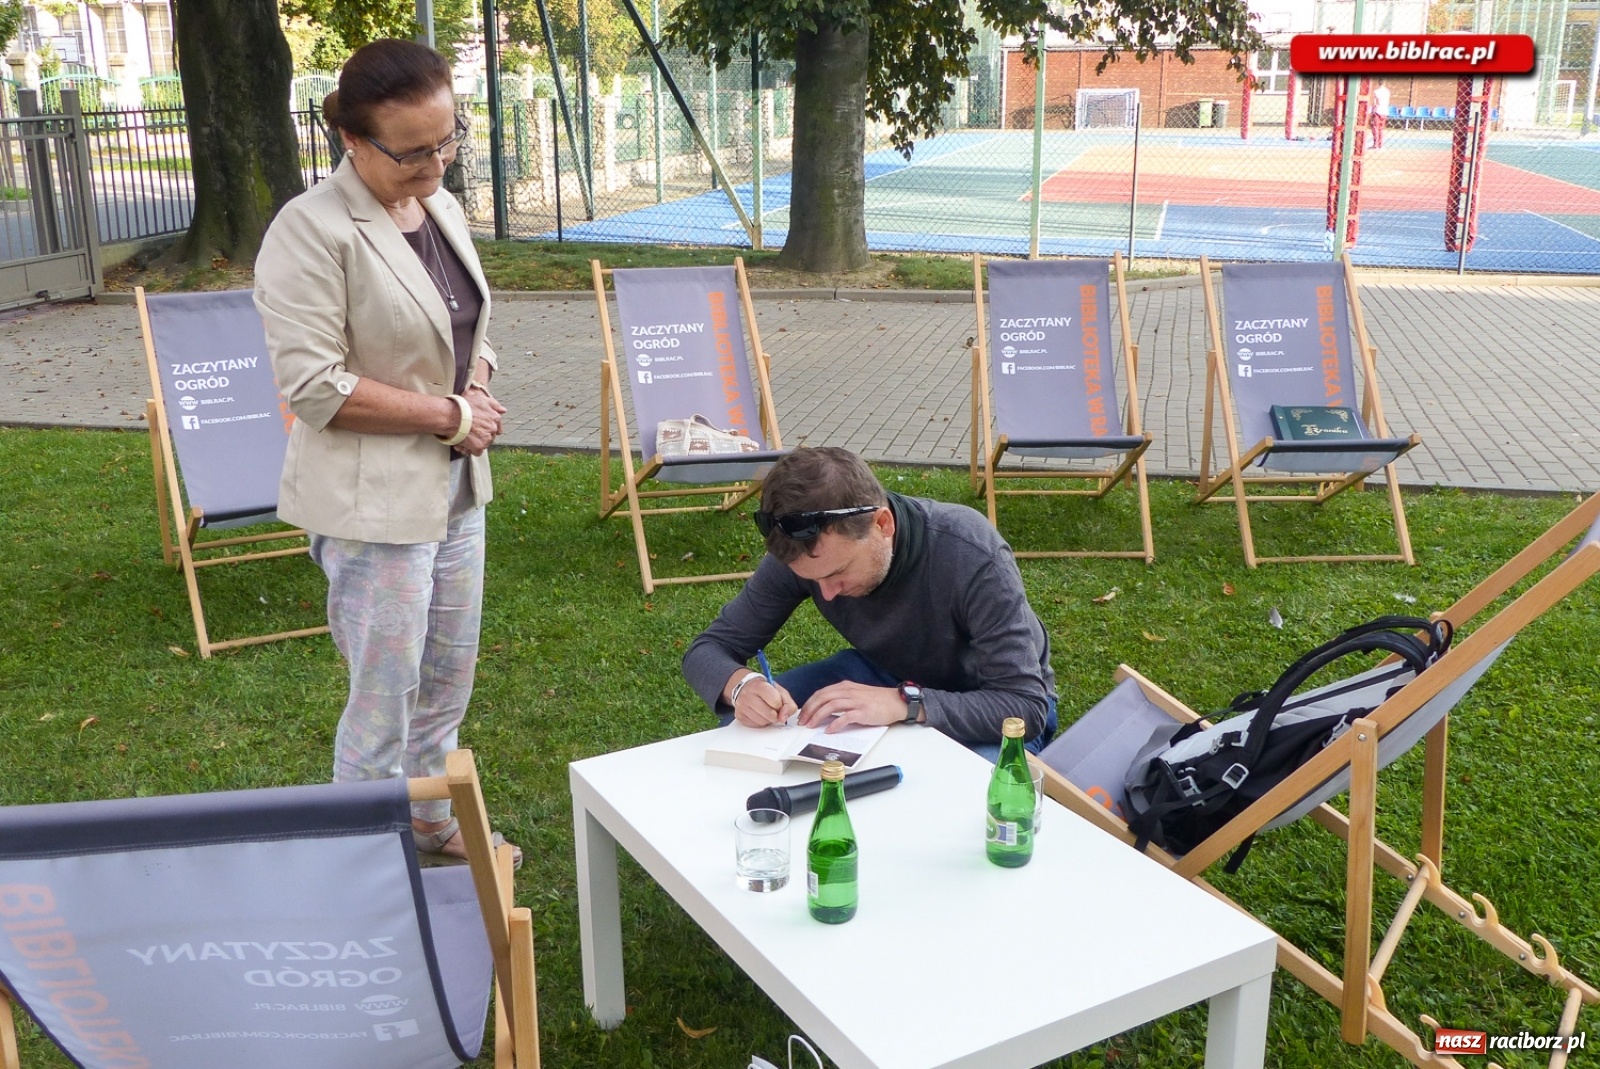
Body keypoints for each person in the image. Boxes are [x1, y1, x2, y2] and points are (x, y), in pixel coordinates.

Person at [255, 39, 515, 865]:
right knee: (384, 695)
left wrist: (474, 380)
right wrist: (448, 411)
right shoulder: (309, 231)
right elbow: (314, 387)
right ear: (354, 143)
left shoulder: (436, 204)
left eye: (449, 139)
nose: (436, 162)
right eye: (413, 150)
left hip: (455, 491)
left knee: (446, 680)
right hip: (371, 507)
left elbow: (456, 324)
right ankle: (362, 855)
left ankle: (432, 822)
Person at [682, 447, 1058, 761]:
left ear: (883, 525)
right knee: (751, 727)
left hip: (983, 697)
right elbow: (709, 649)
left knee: (968, 795)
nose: (825, 593)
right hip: (882, 672)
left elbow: (1023, 705)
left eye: (838, 572)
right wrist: (741, 686)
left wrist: (906, 704)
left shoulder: (969, 551)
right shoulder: (807, 556)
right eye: (813, 581)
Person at [1369, 81, 1390, 150]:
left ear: (1379, 83)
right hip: (1384, 111)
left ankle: (1375, 144)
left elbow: (1375, 102)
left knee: (1375, 128)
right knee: (1381, 128)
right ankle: (1380, 145)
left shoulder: (1376, 91)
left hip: (1377, 111)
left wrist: (1372, 111)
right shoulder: (1387, 91)